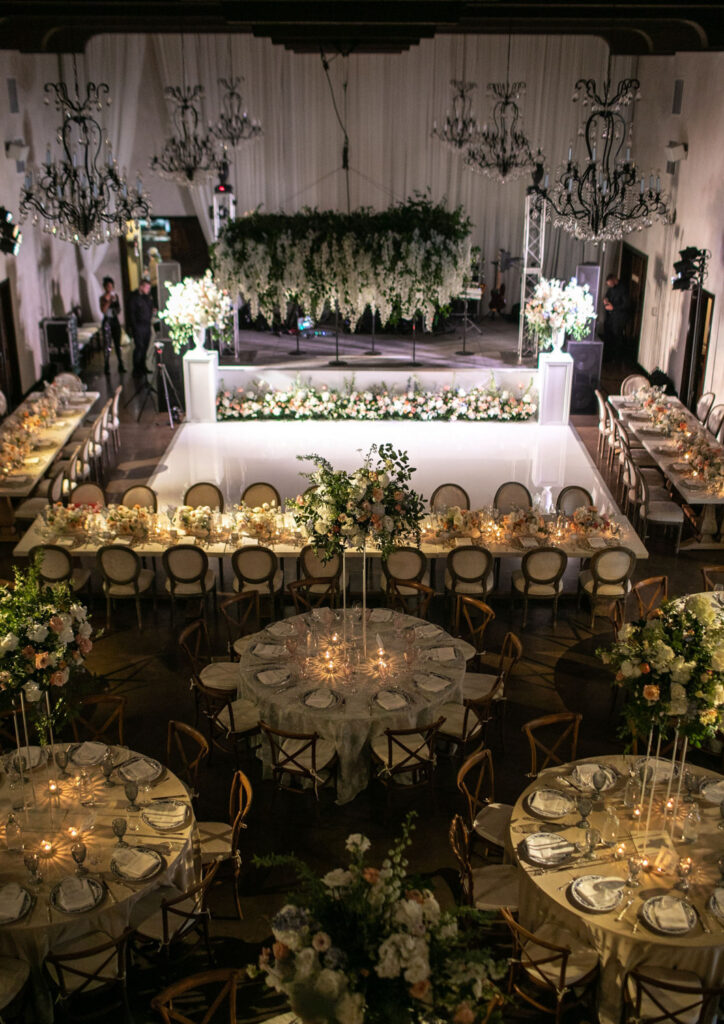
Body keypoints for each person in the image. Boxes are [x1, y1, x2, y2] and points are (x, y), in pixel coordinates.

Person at [128, 277, 156, 377]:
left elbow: (150, 308)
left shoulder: (147, 298)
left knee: (145, 347)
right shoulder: (134, 297)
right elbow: (132, 314)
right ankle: (136, 369)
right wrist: (134, 327)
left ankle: (143, 367)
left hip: (146, 325)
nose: (148, 290)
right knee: (139, 347)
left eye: (149, 288)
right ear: (141, 287)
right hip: (138, 326)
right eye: (146, 288)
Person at [99, 276, 125, 374]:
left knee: (118, 344)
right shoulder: (102, 298)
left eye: (111, 286)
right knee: (107, 345)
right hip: (107, 322)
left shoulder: (116, 296)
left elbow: (118, 310)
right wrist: (109, 301)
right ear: (105, 287)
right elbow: (103, 310)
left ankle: (121, 364)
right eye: (108, 286)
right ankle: (106, 366)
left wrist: (115, 303)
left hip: (115, 320)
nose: (110, 288)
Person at [602, 273, 630, 364]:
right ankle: (608, 356)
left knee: (617, 337)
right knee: (608, 335)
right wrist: (605, 300)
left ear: (614, 280)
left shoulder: (623, 289)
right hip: (611, 317)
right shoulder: (611, 289)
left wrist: (613, 308)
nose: (610, 286)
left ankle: (616, 358)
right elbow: (607, 295)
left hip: (619, 317)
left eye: (610, 284)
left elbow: (626, 305)